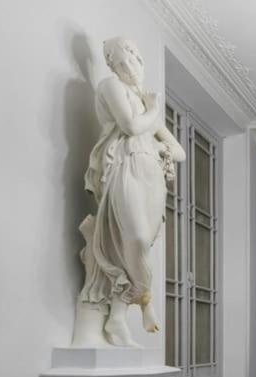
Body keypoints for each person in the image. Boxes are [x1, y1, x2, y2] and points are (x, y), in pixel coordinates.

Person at [72, 37, 186, 347]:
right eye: (128, 52)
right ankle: (146, 301)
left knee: (139, 246)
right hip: (125, 165)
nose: (135, 58)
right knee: (132, 238)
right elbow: (131, 126)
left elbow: (179, 151)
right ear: (112, 60)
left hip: (151, 175)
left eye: (137, 53)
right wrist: (153, 108)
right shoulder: (111, 86)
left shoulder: (144, 102)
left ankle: (118, 317)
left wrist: (161, 146)